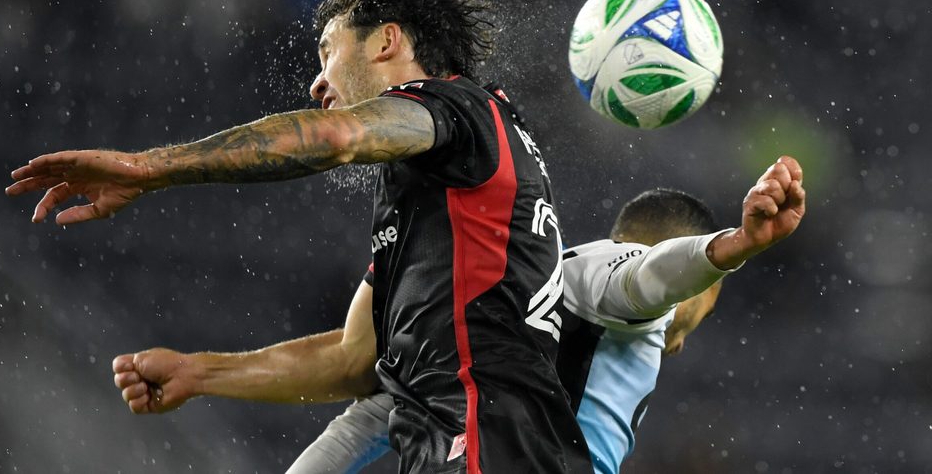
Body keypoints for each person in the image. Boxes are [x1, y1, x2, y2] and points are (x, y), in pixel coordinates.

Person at [7, 0, 593, 473]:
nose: (317, 83)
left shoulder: (455, 107)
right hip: (501, 444)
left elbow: (335, 139)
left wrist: (149, 168)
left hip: (487, 446)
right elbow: (352, 359)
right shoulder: (446, 189)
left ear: (387, 41)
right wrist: (200, 372)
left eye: (328, 52)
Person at [111, 157, 806, 474]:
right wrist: (731, 248)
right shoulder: (598, 277)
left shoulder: (493, 320)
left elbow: (372, 406)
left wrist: (203, 372)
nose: (693, 327)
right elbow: (647, 278)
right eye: (708, 298)